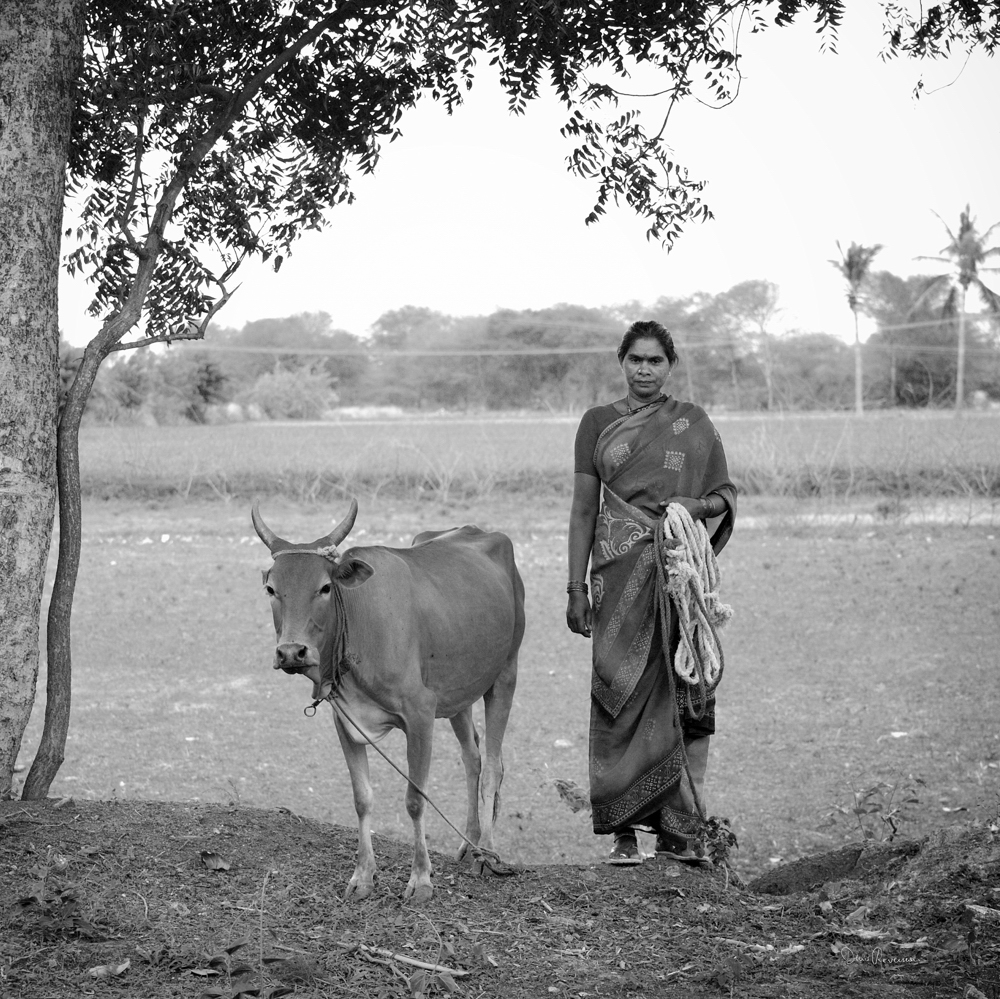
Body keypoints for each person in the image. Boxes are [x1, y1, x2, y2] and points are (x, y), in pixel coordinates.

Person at [565, 320, 737, 865]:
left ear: (670, 365)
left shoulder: (692, 423)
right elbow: (582, 511)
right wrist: (575, 587)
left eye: (655, 360)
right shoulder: (596, 423)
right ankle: (622, 830)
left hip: (679, 576)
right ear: (622, 363)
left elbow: (724, 494)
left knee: (685, 688)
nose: (644, 369)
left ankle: (679, 828)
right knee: (617, 689)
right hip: (614, 576)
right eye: (635, 360)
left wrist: (694, 508)